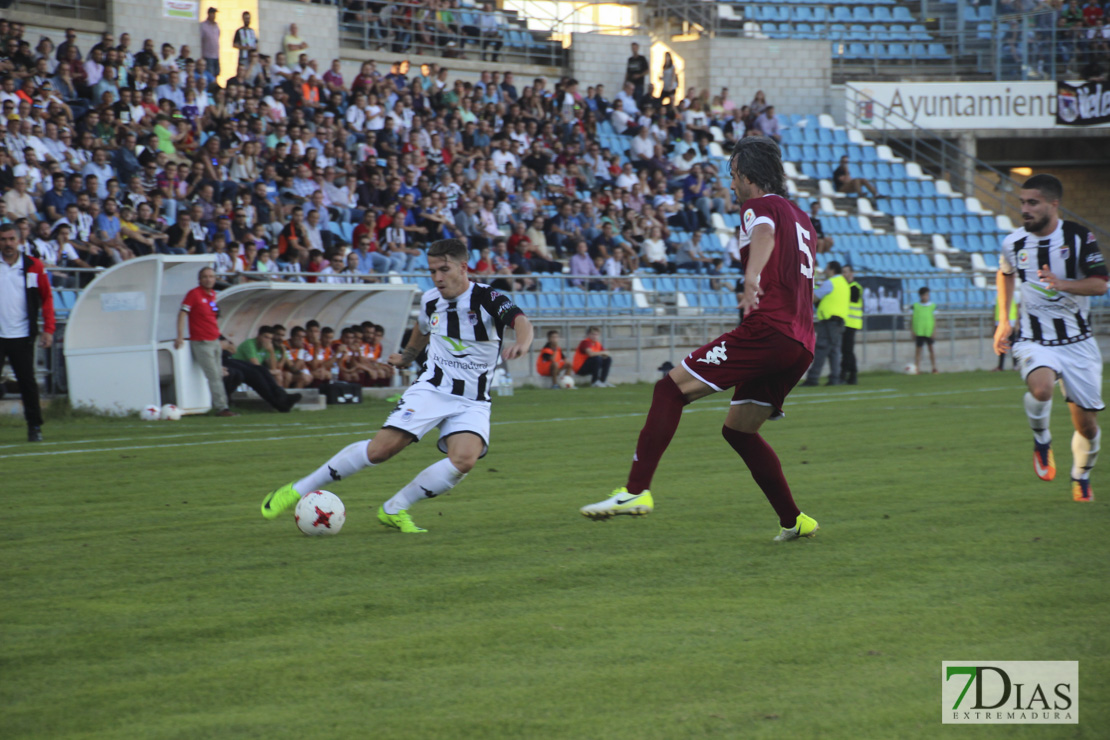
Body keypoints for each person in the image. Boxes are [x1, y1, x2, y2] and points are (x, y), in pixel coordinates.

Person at [579, 136, 820, 542]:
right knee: (738, 431)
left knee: (669, 390)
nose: (731, 184)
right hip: (800, 343)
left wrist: (751, 276)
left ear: (747, 176)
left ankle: (635, 492)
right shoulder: (802, 217)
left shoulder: (758, 207)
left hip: (768, 330)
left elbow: (762, 233)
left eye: (732, 175)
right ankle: (795, 520)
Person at [259, 238, 534, 533]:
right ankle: (297, 489)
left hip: (473, 399)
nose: (438, 277)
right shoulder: (430, 299)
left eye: (444, 269)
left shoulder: (487, 298)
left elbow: (520, 321)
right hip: (432, 390)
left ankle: (394, 509)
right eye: (432, 271)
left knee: (464, 460)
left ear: (463, 267)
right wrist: (408, 356)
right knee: (379, 452)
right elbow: (422, 328)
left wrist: (522, 342)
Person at [993, 174, 1107, 502]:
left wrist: (1062, 284)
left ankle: (1081, 475)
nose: (1025, 209)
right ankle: (1042, 440)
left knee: (1087, 427)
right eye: (1022, 203)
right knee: (1041, 388)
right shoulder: (1013, 242)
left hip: (1078, 342)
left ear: (1053, 205)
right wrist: (1004, 320)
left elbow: (1100, 284)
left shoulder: (1079, 237)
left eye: (1032, 203)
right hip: (1034, 338)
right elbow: (1004, 273)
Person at [0, 223, 54, 442]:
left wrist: (48, 329)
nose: (8, 243)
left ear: (19, 240)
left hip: (22, 334)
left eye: (11, 239)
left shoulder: (33, 266)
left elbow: (47, 297)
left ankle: (34, 427)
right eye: (3, 239)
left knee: (27, 383)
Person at [175, 266, 238, 417]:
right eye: (205, 276)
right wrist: (180, 336)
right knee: (214, 375)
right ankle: (222, 407)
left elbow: (212, 317)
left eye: (211, 276)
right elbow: (183, 313)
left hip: (214, 340)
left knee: (219, 374)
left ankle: (223, 405)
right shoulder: (194, 294)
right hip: (202, 341)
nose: (209, 279)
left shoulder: (213, 295)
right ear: (199, 279)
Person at [231, 325, 303, 411]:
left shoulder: (266, 347)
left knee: (276, 375)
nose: (268, 340)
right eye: (265, 337)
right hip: (239, 369)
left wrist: (271, 351)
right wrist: (273, 371)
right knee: (262, 373)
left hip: (252, 371)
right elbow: (256, 366)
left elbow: (274, 367)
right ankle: (281, 401)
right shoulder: (249, 344)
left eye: (270, 339)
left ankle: (282, 399)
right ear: (259, 336)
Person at [802, 260, 848, 386]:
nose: (826, 271)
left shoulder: (830, 283)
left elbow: (813, 297)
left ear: (832, 270)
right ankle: (835, 378)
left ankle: (813, 378)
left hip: (829, 321)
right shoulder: (843, 283)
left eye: (827, 269)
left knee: (822, 349)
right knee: (834, 351)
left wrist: (809, 288)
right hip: (839, 321)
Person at [840, 265, 862, 385]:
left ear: (851, 273)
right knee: (847, 350)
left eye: (846, 272)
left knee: (847, 350)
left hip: (851, 323)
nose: (844, 274)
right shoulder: (846, 287)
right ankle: (852, 375)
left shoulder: (855, 287)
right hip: (846, 323)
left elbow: (850, 299)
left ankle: (844, 374)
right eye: (842, 272)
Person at [911, 286, 937, 375]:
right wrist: (912, 331)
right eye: (924, 295)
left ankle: (934, 368)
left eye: (927, 295)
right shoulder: (916, 306)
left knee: (931, 350)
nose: (926, 297)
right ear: (920, 296)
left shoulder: (932, 306)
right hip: (919, 331)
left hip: (928, 331)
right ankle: (917, 368)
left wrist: (934, 331)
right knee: (918, 350)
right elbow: (912, 319)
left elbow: (934, 319)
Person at [199, 8, 221, 78]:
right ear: (209, 14)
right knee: (209, 74)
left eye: (215, 14)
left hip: (216, 55)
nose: (214, 16)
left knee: (216, 73)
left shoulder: (216, 26)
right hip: (208, 55)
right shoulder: (203, 25)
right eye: (212, 14)